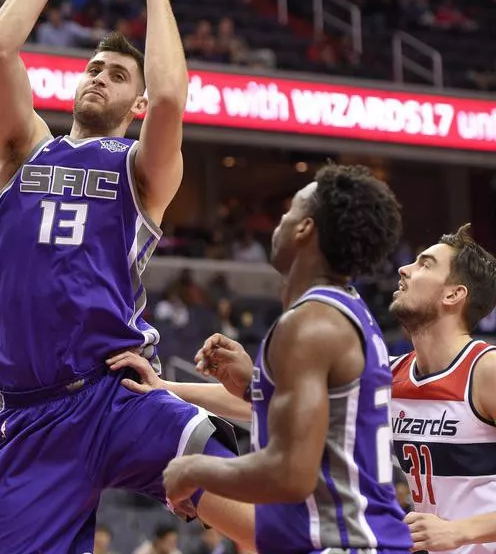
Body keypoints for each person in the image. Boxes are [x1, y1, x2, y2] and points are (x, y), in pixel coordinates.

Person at [0, 0, 253, 553]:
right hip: (32, 413)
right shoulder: (22, 153)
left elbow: (169, 101)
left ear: (132, 104)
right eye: (92, 66)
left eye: (115, 73)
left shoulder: (140, 170)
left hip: (116, 394)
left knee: (272, 516)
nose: (96, 74)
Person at [161, 164, 413, 553]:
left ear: (304, 229)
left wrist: (193, 469)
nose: (277, 226)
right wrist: (255, 387)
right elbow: (327, 430)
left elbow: (291, 474)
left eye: (288, 214)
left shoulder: (309, 325)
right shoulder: (341, 312)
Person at [390, 224, 496, 553]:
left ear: (453, 294)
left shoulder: (485, 371)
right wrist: (247, 382)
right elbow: (291, 403)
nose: (404, 268)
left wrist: (461, 531)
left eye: (425, 264)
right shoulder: (390, 373)